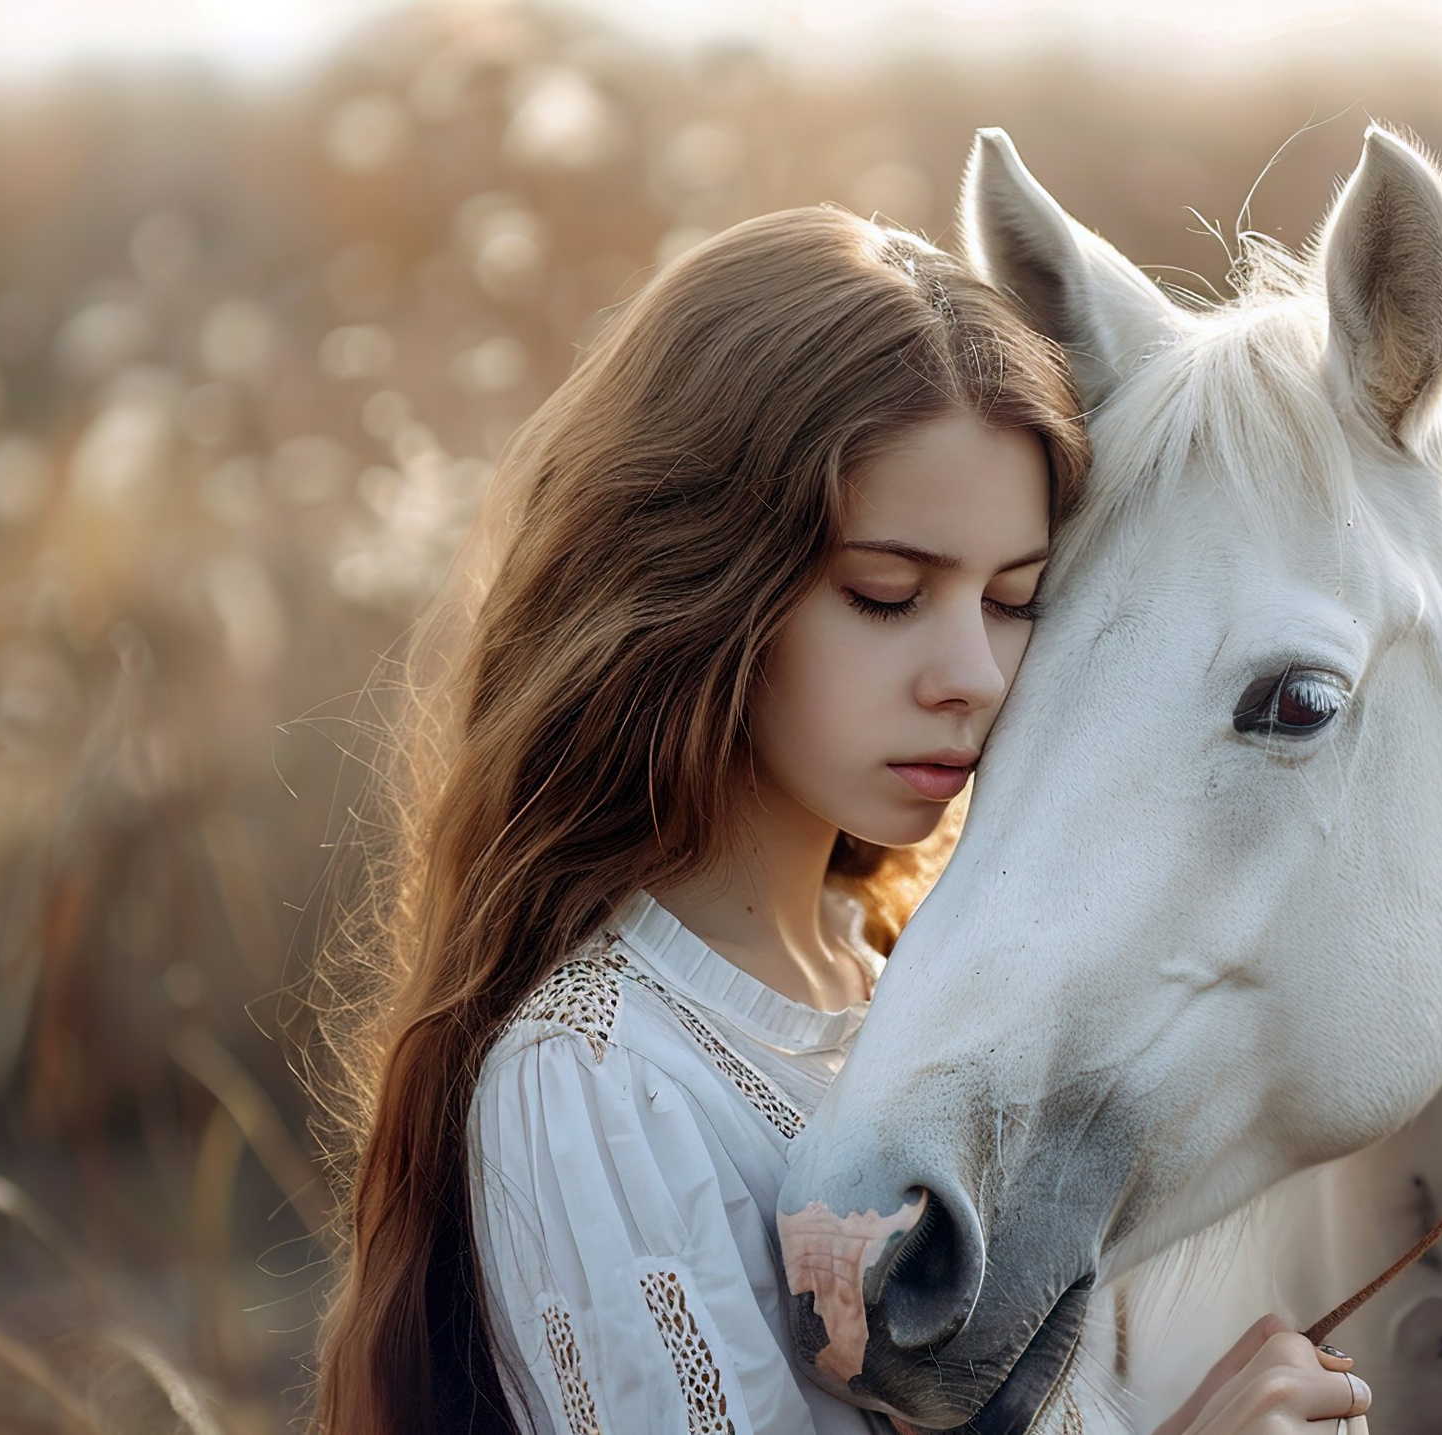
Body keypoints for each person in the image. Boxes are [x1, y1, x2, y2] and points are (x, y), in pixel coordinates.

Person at [310, 203, 1374, 1434]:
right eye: (886, 595)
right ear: (703, 587)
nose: (969, 671)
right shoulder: (599, 1077)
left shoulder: (913, 998)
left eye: (1015, 599)